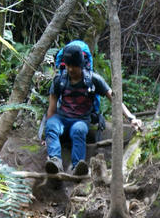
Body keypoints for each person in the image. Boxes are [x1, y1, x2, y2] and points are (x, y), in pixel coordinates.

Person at [43, 43, 143, 176]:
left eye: (74, 66)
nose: (71, 69)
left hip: (80, 120)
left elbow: (114, 99)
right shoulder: (59, 80)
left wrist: (130, 117)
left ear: (81, 64)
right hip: (61, 119)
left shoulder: (93, 79)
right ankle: (55, 161)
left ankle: (77, 166)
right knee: (51, 124)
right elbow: (52, 109)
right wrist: (47, 135)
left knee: (78, 130)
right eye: (68, 66)